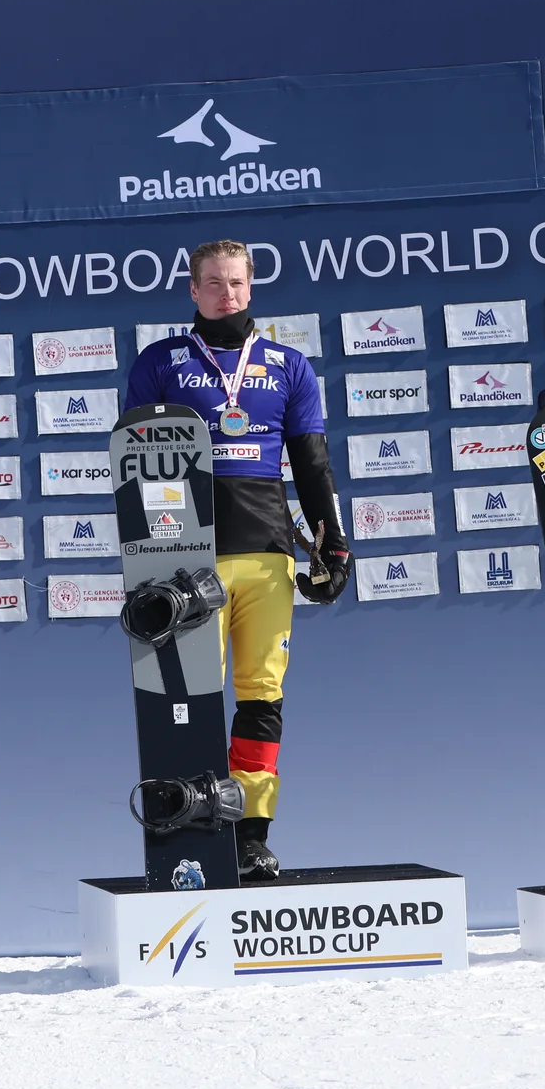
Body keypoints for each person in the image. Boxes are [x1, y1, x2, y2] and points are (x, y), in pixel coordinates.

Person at [123, 238, 348, 881]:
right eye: (215, 283)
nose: (228, 294)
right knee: (189, 699)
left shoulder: (287, 365)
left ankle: (250, 836)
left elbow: (311, 464)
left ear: (252, 287)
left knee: (261, 696)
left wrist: (333, 543)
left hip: (268, 554)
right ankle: (192, 834)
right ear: (193, 291)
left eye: (238, 283)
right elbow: (136, 462)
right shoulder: (160, 362)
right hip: (186, 558)